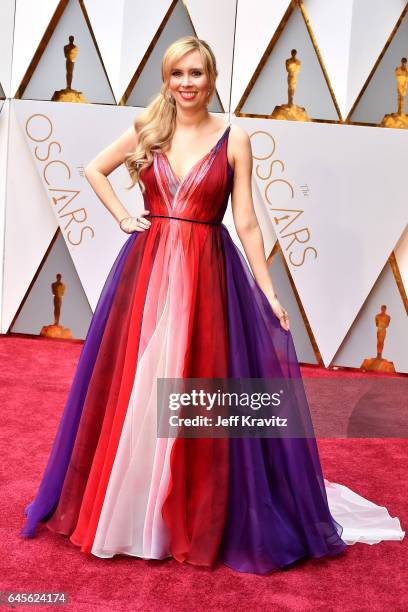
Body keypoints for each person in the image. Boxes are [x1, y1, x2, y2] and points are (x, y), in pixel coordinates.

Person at [20, 36, 404, 575]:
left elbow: (246, 221)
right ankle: (134, 507)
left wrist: (270, 294)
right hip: (148, 270)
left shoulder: (235, 138)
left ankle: (191, 508)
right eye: (177, 73)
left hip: (207, 271)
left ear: (212, 77)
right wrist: (123, 217)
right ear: (166, 77)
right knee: (140, 381)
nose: (186, 83)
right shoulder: (148, 128)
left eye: (196, 73)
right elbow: (93, 170)